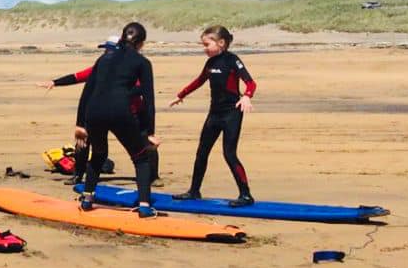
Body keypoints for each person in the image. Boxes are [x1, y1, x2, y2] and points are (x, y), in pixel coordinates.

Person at [41, 36, 162, 185]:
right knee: (83, 142)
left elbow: (141, 88)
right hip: (103, 111)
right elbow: (77, 77)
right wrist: (55, 82)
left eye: (108, 49)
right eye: (105, 49)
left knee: (146, 143)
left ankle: (154, 177)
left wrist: (121, 94)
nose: (106, 52)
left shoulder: (132, 66)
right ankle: (78, 175)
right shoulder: (102, 66)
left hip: (132, 113)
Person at [76, 22, 160, 217]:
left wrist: (80, 124)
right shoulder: (142, 62)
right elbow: (149, 100)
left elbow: (87, 91)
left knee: (98, 154)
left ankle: (88, 200)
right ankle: (145, 206)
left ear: (122, 37)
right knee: (141, 158)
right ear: (141, 43)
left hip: (94, 111)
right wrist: (150, 133)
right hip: (119, 112)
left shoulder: (104, 59)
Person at [168, 25, 256, 206]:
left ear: (221, 43)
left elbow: (251, 82)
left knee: (229, 154)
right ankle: (194, 191)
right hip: (214, 114)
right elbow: (199, 81)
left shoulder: (233, 60)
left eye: (207, 44)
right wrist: (181, 95)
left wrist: (247, 96)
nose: (204, 48)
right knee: (201, 153)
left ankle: (246, 195)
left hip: (232, 113)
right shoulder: (210, 63)